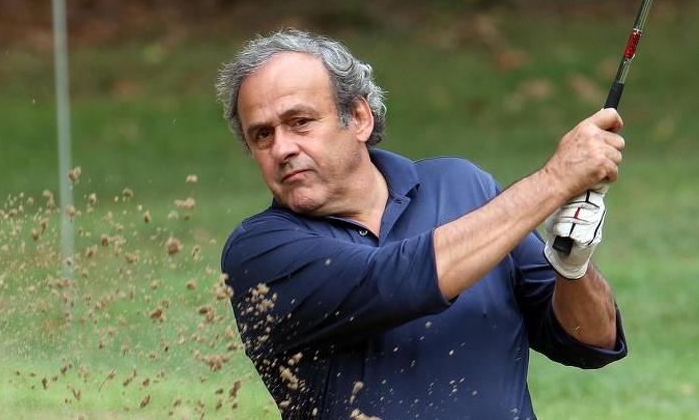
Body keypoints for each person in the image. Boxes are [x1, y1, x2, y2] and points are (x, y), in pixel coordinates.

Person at [215, 29, 627, 419]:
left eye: (300, 122)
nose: (282, 148)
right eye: (262, 135)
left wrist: (573, 266)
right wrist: (554, 181)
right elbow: (396, 279)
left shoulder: (464, 187)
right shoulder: (259, 252)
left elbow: (589, 342)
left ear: (358, 117)